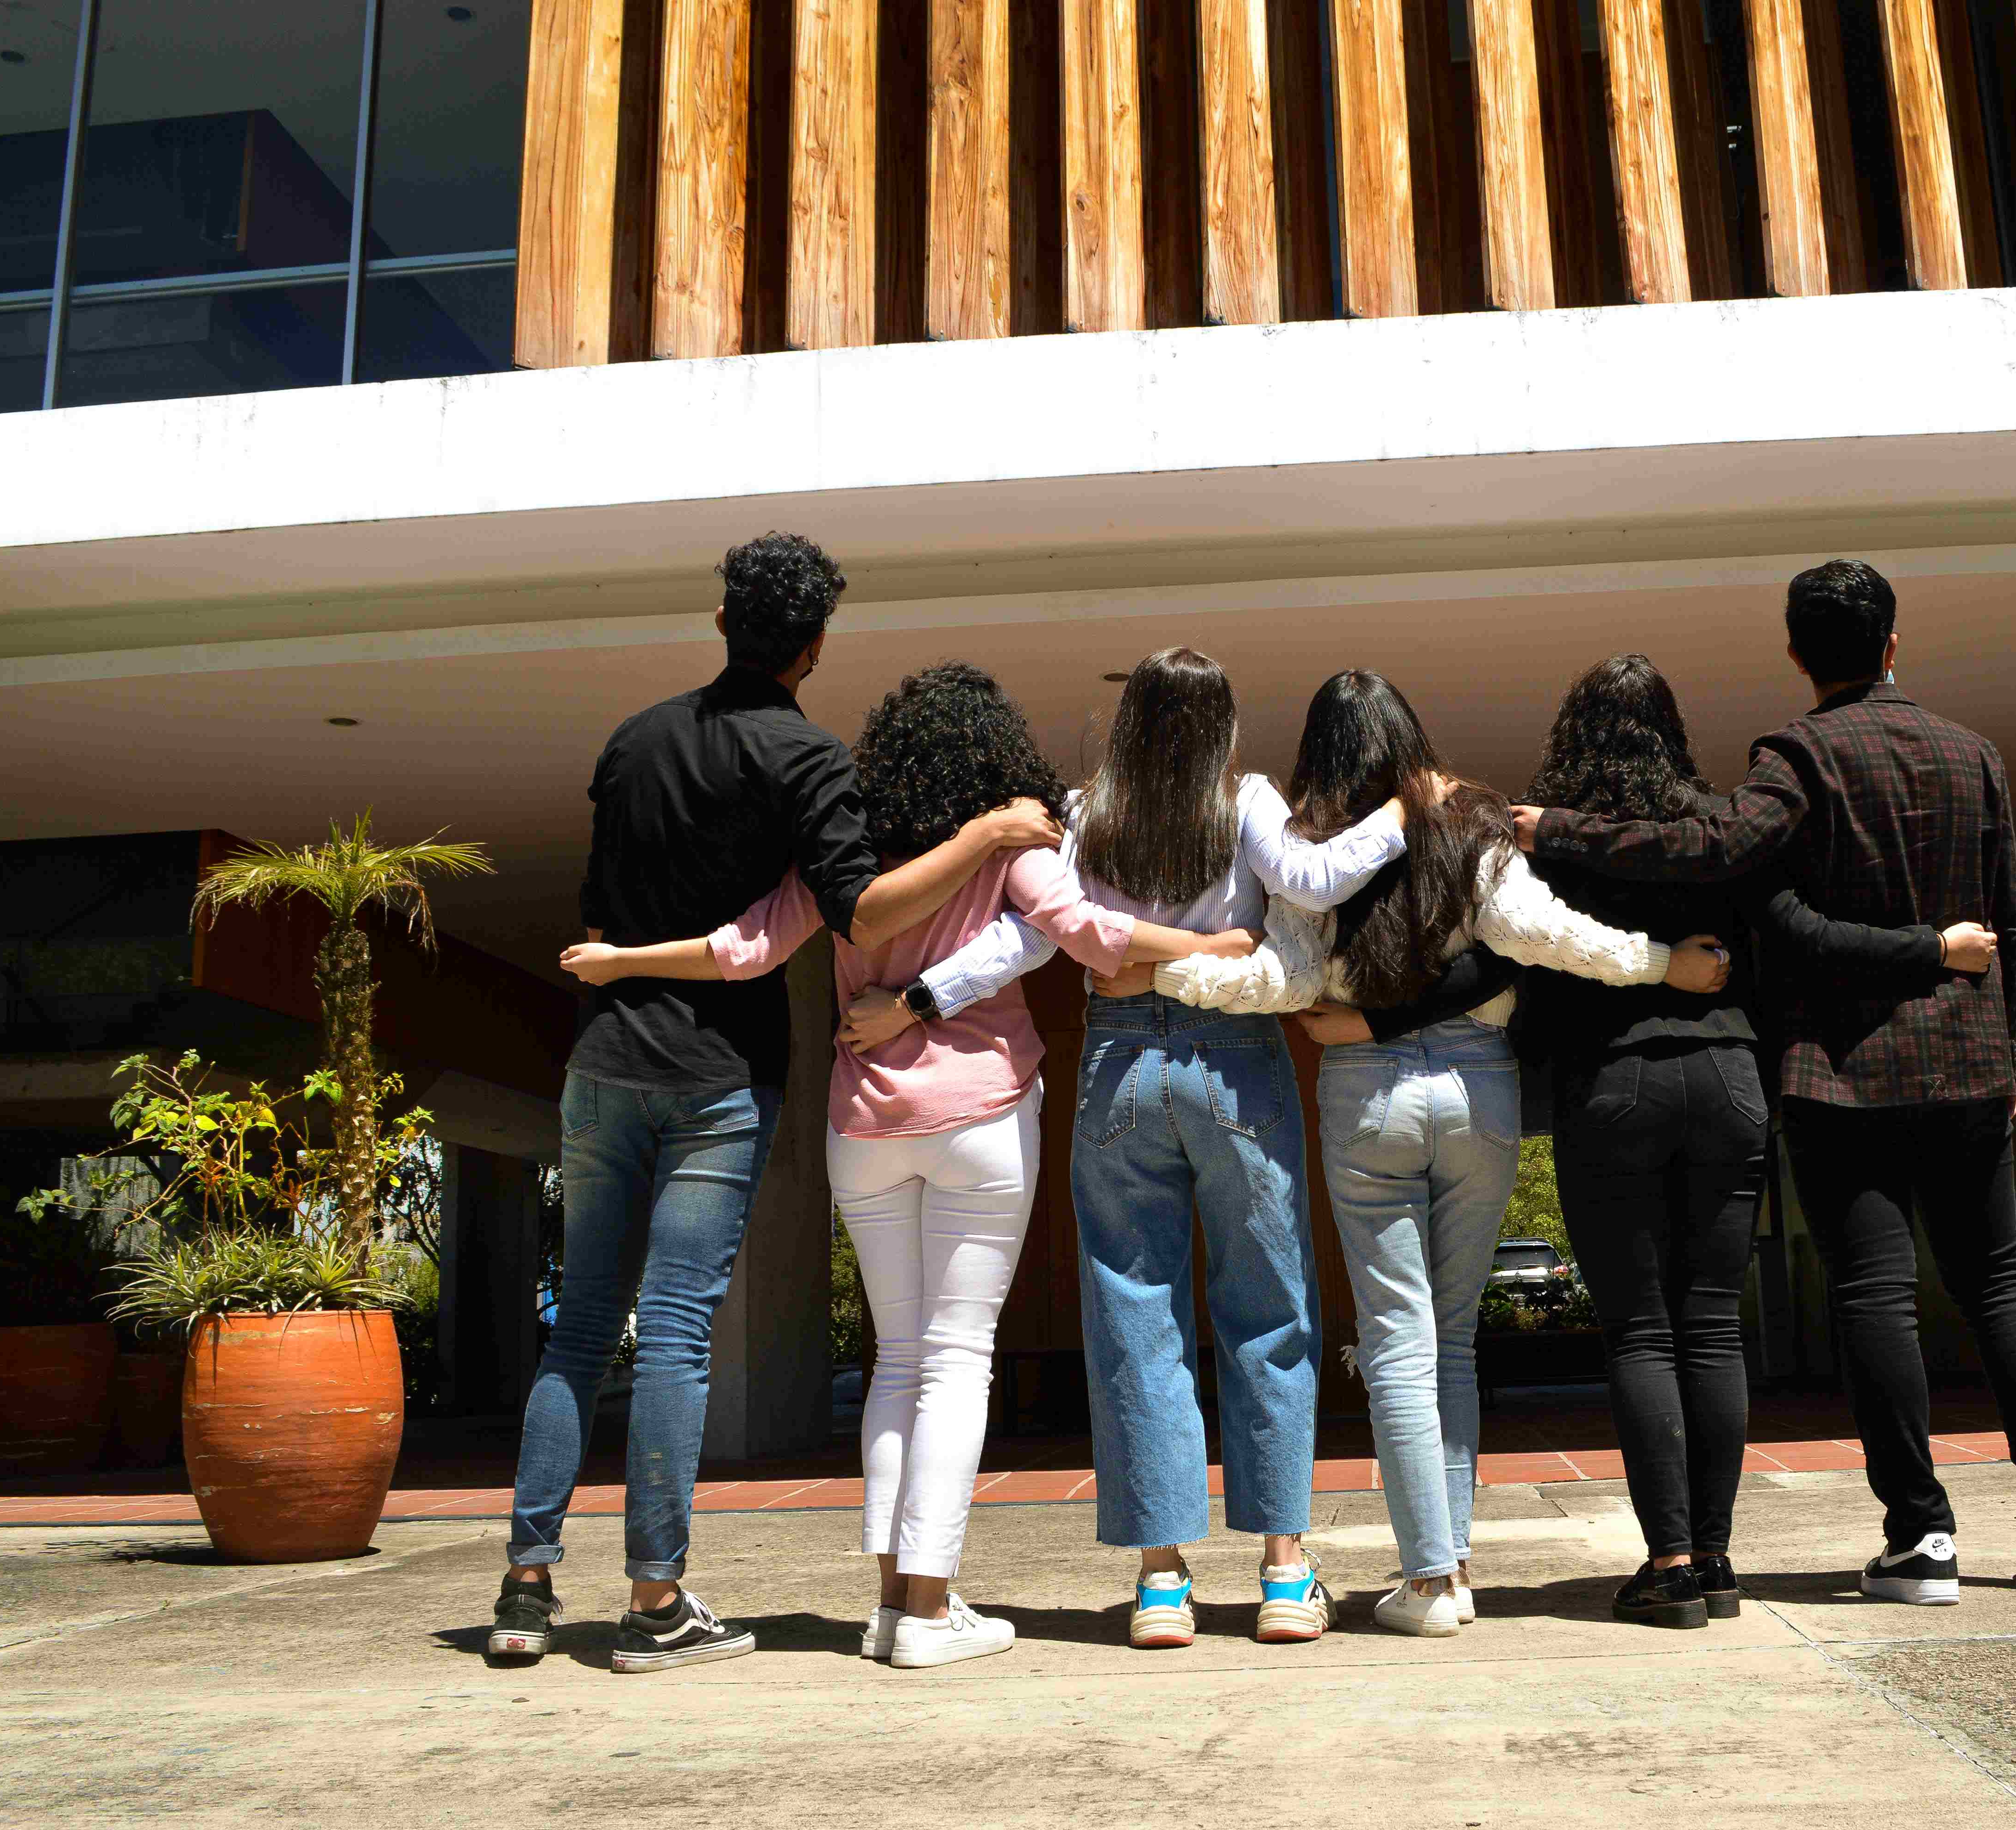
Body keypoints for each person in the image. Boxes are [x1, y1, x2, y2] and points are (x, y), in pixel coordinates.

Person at [558, 664, 1259, 1668]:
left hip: (865, 1131)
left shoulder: (849, 864)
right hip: (981, 1117)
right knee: (958, 1358)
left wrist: (625, 960)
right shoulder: (1006, 845)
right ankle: (928, 1611)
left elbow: (746, 946)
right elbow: (1089, 934)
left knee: (896, 1360)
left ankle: (891, 1603)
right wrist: (1213, 943)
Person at [486, 536, 1064, 1673]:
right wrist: (986, 834)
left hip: (604, 1061)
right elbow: (859, 910)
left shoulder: (632, 739)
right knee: (678, 1332)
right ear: (816, 644)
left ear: (720, 620)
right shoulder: (806, 757)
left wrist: (619, 965)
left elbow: (614, 904)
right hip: (715, 1075)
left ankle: (525, 1585)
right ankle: (653, 1602)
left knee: (583, 1323)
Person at [1512, 562, 2016, 1606]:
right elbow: (2009, 918)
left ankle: (1920, 1536)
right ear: (1893, 643)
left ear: (1794, 652)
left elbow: (1732, 869)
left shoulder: (1794, 759)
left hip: (1843, 1075)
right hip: (1967, 1065)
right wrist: (1999, 1043)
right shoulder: (1977, 755)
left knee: (1870, 1294)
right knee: (1999, 1284)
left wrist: (1554, 828)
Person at [1155, 669, 1730, 1637]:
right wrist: (1660, 963)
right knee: (1451, 1337)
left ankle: (1430, 1581)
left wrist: (1173, 976)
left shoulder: (1309, 842)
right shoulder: (1469, 820)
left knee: (1395, 1339)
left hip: (1366, 1099)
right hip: (1480, 1093)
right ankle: (1449, 1566)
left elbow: (1284, 977)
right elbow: (1547, 936)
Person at [1066, 647, 1413, 1649]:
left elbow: (1069, 929)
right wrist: (1406, 807)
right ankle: (1284, 1571)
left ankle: (1160, 1583)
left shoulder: (1089, 812)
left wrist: (1144, 963)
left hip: (1117, 1062)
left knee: (1134, 1309)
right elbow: (1313, 878)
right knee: (1268, 1303)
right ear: (1221, 724)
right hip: (1232, 1057)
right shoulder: (1245, 798)